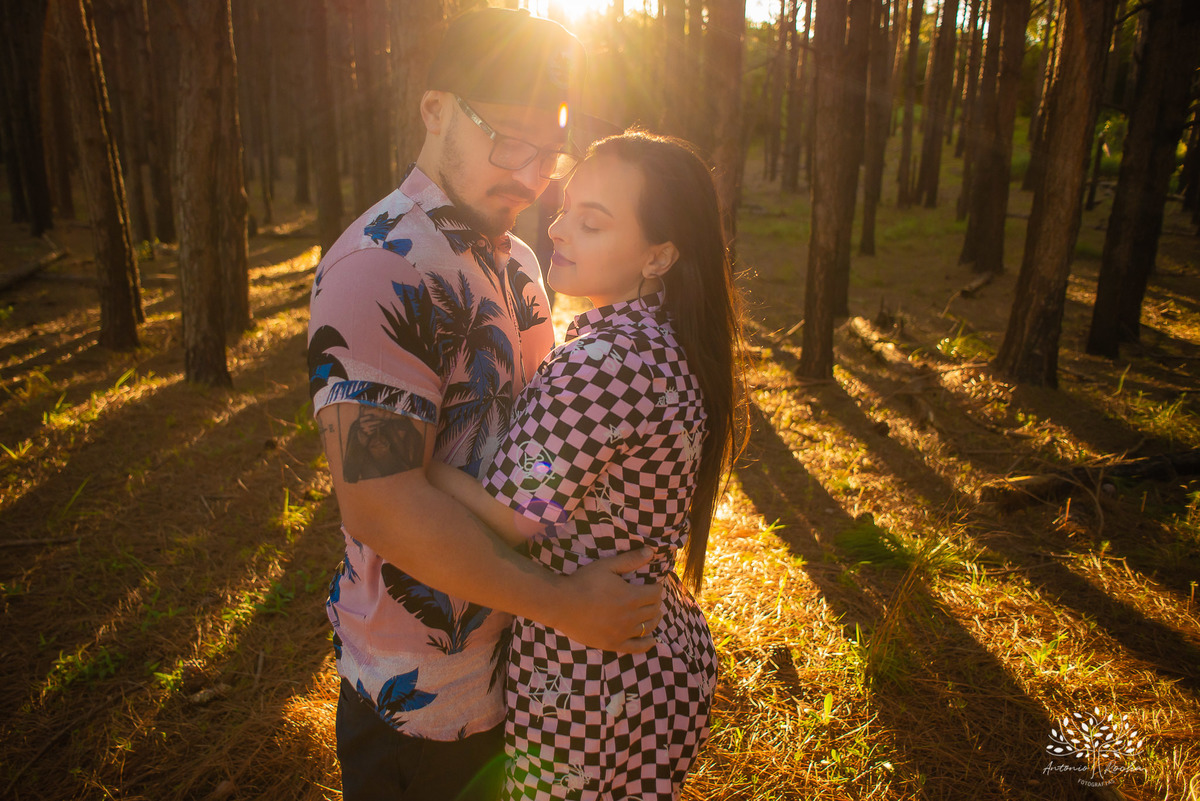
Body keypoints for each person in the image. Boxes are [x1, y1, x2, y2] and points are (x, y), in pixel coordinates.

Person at [306, 10, 664, 801]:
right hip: (426, 702)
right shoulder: (378, 269)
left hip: (536, 682)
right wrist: (569, 603)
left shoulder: (521, 260)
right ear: (435, 110)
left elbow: (533, 444)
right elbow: (379, 503)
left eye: (549, 154)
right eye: (509, 141)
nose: (531, 175)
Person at [430, 131, 748, 800]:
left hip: (587, 677)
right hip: (654, 651)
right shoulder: (662, 338)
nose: (559, 225)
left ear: (659, 254)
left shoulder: (603, 365)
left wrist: (415, 467)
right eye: (568, 206)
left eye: (592, 221)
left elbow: (511, 520)